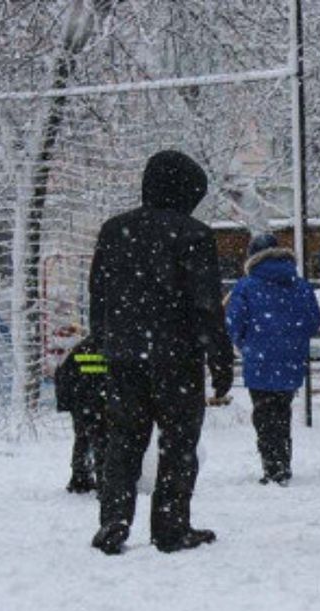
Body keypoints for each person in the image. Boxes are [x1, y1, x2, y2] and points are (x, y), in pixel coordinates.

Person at [86, 150, 234, 555]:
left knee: (123, 440)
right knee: (178, 442)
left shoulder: (114, 230)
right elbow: (206, 305)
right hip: (177, 357)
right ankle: (170, 526)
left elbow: (97, 295)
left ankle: (114, 519)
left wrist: (104, 342)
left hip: (123, 355)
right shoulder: (194, 235)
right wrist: (221, 359)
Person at [225, 234, 320, 486]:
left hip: (259, 359)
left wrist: (246, 342)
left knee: (264, 414)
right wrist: (292, 339)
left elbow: (233, 323)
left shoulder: (246, 286)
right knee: (282, 411)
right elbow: (313, 321)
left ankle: (272, 465)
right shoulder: (300, 285)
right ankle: (283, 463)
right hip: (291, 359)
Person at [54, 334, 109, 495]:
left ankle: (80, 478)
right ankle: (104, 480)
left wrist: (67, 403)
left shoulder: (81, 347)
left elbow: (64, 374)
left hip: (81, 402)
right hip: (101, 402)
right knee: (102, 441)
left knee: (82, 438)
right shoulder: (113, 347)